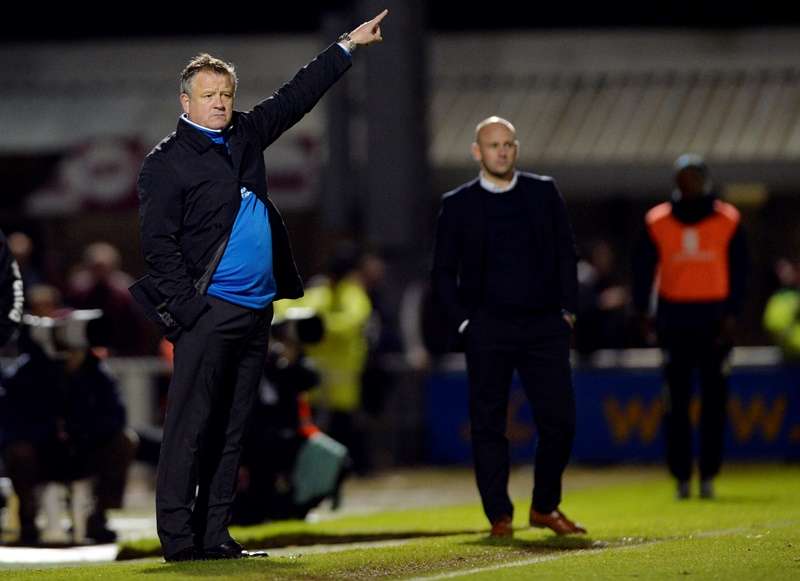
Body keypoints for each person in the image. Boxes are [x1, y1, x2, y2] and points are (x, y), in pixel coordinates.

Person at [133, 10, 388, 562]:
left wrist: (345, 47)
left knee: (231, 429)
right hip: (209, 315)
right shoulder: (166, 163)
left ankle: (214, 535)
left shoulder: (245, 134)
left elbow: (295, 97)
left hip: (255, 313)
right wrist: (191, 311)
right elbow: (158, 246)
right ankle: (179, 540)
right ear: (186, 102)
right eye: (208, 95)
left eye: (225, 93)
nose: (220, 103)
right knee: (189, 429)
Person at [431, 116, 585, 538]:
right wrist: (465, 322)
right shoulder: (458, 204)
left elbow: (566, 255)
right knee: (487, 424)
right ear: (477, 152)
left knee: (560, 421)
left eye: (508, 144)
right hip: (488, 329)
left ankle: (544, 506)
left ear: (516, 149)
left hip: (543, 326)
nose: (502, 151)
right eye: (493, 144)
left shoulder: (542, 191)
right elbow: (442, 272)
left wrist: (567, 311)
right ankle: (499, 514)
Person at [632, 154, 748, 500]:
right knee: (676, 405)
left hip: (715, 322)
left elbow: (742, 270)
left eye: (695, 177)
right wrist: (643, 313)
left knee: (714, 403)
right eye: (683, 177)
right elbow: (641, 271)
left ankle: (709, 474)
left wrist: (733, 314)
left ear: (705, 180)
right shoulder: (657, 220)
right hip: (674, 320)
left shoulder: (728, 218)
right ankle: (681, 476)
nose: (690, 184)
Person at [0, 286, 137, 545]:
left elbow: (116, 417)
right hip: (41, 453)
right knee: (17, 451)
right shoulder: (26, 373)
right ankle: (27, 521)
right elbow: (10, 424)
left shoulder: (94, 372)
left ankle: (99, 517)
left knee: (124, 441)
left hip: (82, 451)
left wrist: (77, 378)